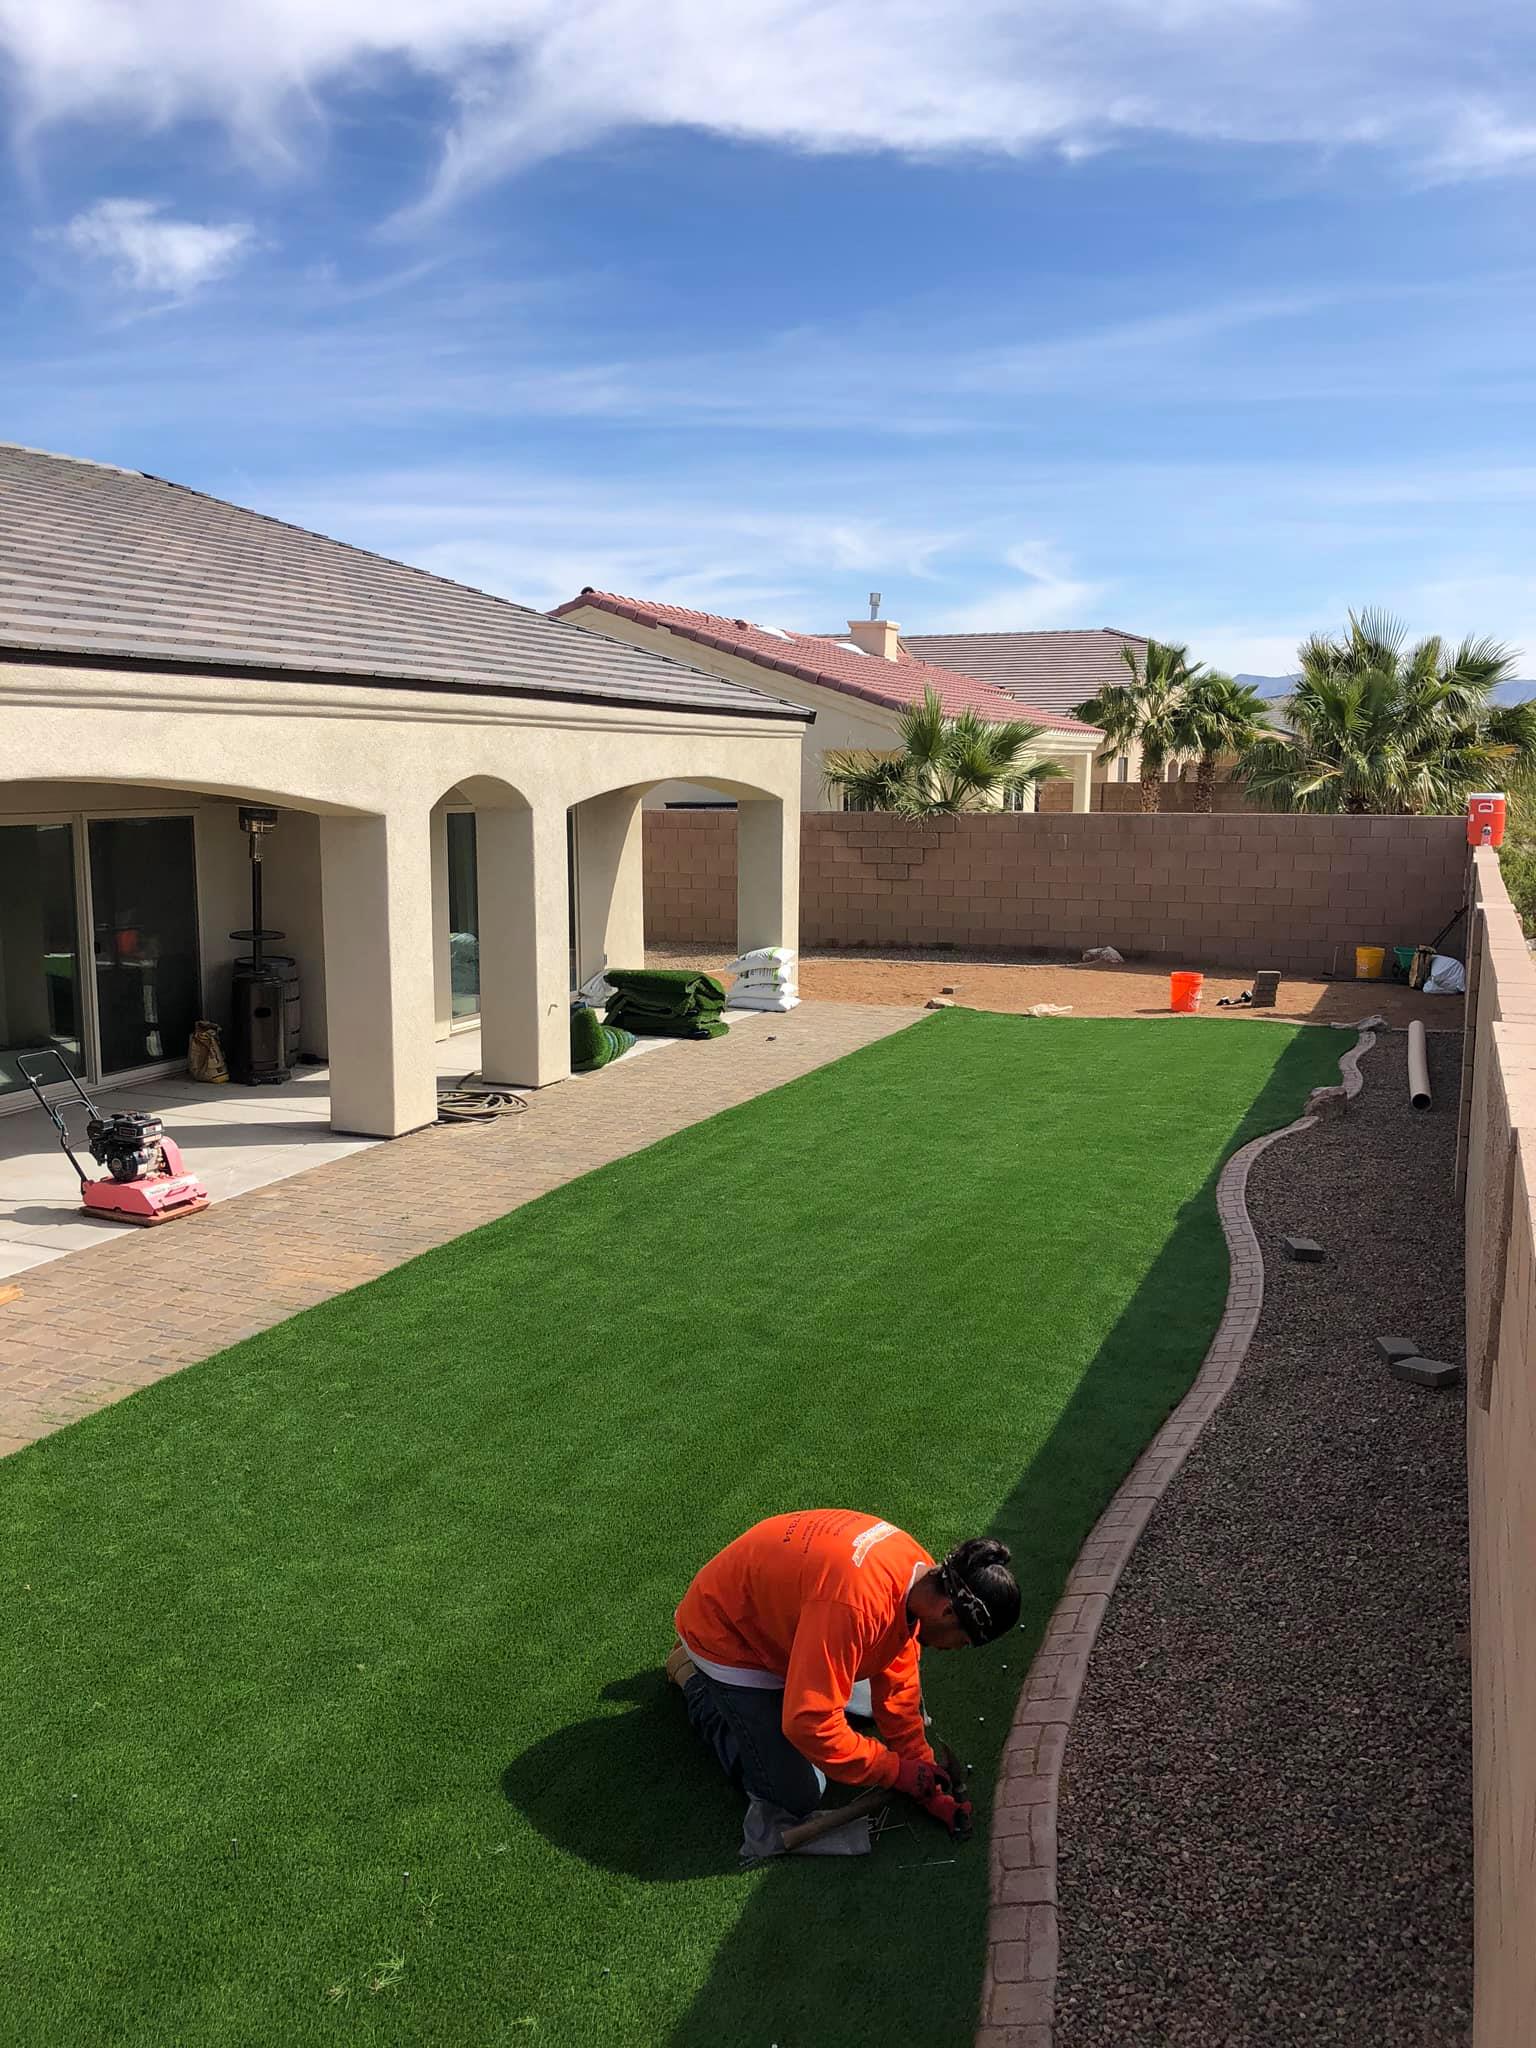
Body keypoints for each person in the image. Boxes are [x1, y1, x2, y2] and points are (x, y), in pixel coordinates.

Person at [668, 1508, 1020, 1844]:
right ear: (946, 1612)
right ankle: (695, 1680)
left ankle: (774, 1690)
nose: (955, 1649)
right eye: (964, 1641)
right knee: (797, 1792)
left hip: (790, 1624)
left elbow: (899, 1687)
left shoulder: (918, 1575)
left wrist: (920, 1768)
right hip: (728, 1634)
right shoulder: (856, 1605)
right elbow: (809, 1724)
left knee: (856, 1706)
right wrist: (894, 1771)